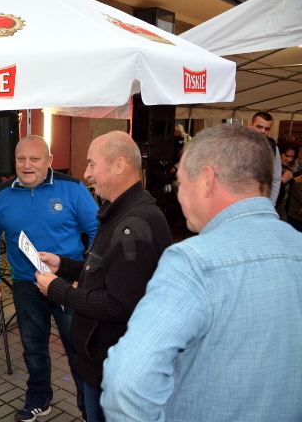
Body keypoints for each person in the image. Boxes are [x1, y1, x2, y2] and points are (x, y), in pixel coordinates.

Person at [102, 124, 302, 422]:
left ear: (207, 180)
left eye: (182, 183)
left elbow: (126, 382)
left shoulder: (193, 262)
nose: (180, 196)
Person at [34, 131, 172, 422]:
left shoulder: (134, 225)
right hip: (103, 363)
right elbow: (109, 272)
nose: (86, 174)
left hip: (114, 367)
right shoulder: (122, 213)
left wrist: (58, 291)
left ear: (119, 165)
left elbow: (119, 304)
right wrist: (63, 265)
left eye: (92, 164)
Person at [0, 135, 99, 422]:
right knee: (33, 349)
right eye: (21, 159)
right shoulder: (0, 195)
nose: (27, 165)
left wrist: (84, 276)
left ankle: (88, 410)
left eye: (35, 159)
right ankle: (39, 398)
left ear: (49, 161)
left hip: (68, 284)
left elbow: (99, 232)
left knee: (78, 349)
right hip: (25, 285)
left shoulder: (73, 188)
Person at [248, 111, 281, 205]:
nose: (263, 131)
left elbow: (276, 178)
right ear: (250, 125)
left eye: (267, 129)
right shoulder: (237, 144)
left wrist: (271, 203)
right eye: (259, 127)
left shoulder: (273, 148)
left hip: (261, 201)